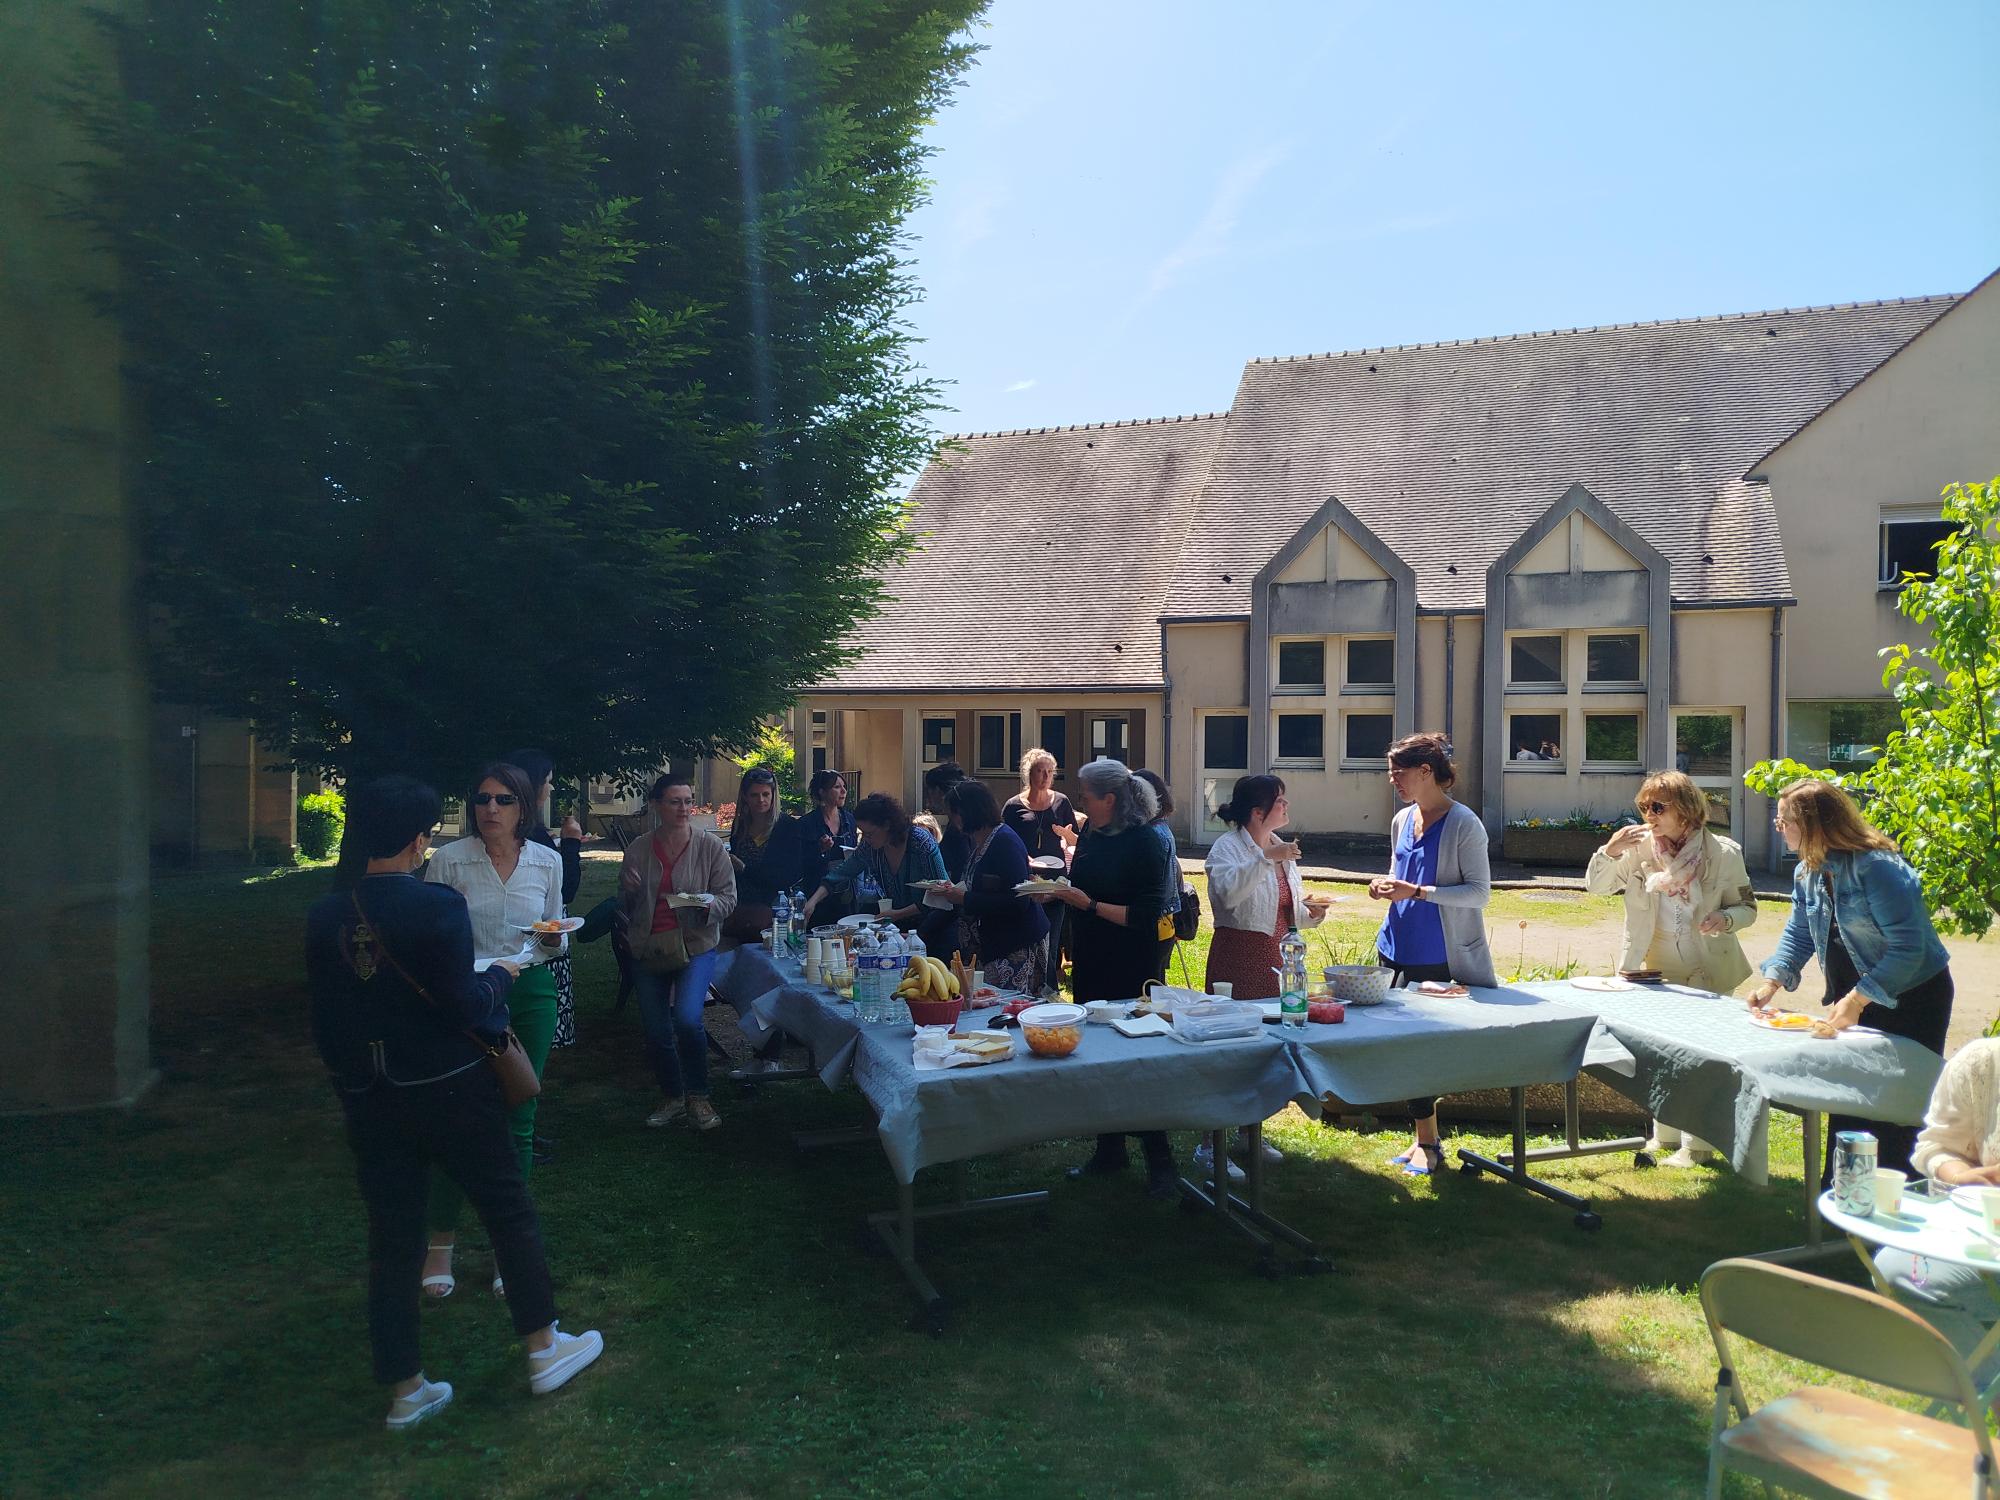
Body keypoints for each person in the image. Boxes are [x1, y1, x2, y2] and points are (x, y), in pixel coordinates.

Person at [308, 775, 601, 1429]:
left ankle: (406, 1388)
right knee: (508, 1209)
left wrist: (352, 1082)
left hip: (370, 1093)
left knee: (391, 1240)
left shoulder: (328, 914)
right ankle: (543, 1347)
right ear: (419, 841)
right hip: (449, 1086)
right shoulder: (435, 907)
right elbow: (464, 1004)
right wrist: (503, 972)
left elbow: (324, 1020)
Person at [1748, 778, 1953, 1182]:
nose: (1779, 828)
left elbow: (1909, 949)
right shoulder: (1808, 872)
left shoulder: (1878, 868)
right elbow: (1799, 933)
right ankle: (1845, 1191)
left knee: (1896, 1106)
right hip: (1856, 999)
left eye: (1783, 820)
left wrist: (1858, 1000)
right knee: (1851, 1095)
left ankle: (1899, 1200)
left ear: (1813, 825)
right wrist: (1772, 981)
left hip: (1913, 1000)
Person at [421, 762, 567, 1298]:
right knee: (454, 1117)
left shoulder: (546, 862)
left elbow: (557, 936)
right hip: (464, 996)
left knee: (519, 1117)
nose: (490, 809)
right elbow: (427, 937)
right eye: (482, 799)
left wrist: (552, 939)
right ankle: (440, 1244)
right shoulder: (448, 861)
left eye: (504, 800)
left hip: (528, 993)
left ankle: (511, 1245)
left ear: (523, 808)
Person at [1585, 770, 1757, 1166]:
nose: (1649, 814)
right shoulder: (1639, 849)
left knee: (1699, 1059)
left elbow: (1747, 907)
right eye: (1644, 806)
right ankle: (1662, 1138)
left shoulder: (1724, 853)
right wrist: (1609, 851)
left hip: (1707, 970)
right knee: (1660, 1058)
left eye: (1658, 806)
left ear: (1686, 809)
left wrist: (1726, 920)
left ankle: (1696, 1147)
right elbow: (1596, 888)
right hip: (1651, 971)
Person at [1031, 758, 1178, 1198]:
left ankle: (1161, 1160)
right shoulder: (1093, 834)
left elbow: (1147, 915)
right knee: (1096, 1054)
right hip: (1092, 959)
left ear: (1110, 799)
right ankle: (1109, 1149)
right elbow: (1082, 887)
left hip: (1132, 962)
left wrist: (1088, 905)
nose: (1079, 802)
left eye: (1086, 796)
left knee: (1136, 1060)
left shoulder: (1146, 841)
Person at [1368, 732, 1496, 1177]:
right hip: (1394, 950)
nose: (1392, 781)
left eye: (1398, 773)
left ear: (1427, 772)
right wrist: (1383, 885)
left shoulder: (1464, 825)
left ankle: (1428, 1142)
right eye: (1390, 773)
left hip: (1439, 958)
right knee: (1401, 1049)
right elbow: (1397, 871)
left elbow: (1480, 894)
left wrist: (1417, 892)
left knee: (1423, 1051)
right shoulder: (1402, 819)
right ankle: (1424, 1138)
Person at [1875, 1037, 2000, 1379]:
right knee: (1899, 1268)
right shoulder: (1983, 1063)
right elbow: (1937, 1146)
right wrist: (1964, 1177)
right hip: (1986, 1246)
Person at [619, 775, 738, 1132]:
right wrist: (628, 889)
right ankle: (672, 1095)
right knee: (656, 1031)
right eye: (674, 801)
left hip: (695, 945)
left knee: (687, 1019)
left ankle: (699, 1096)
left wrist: (705, 905)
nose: (684, 809)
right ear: (657, 805)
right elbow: (626, 904)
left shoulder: (710, 846)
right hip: (649, 947)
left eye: (688, 801)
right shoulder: (639, 848)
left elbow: (729, 899)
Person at [503, 748, 582, 1168]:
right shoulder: (529, 835)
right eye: (548, 779)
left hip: (545, 949)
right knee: (521, 1054)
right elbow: (566, 890)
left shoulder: (531, 832)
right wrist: (571, 843)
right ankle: (519, 1136)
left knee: (530, 1051)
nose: (552, 786)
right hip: (527, 958)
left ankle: (526, 1130)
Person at [1204, 774, 1328, 1002]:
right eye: (1279, 800)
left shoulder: (1279, 845)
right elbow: (1227, 896)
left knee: (1280, 1022)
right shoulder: (1227, 847)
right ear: (1258, 812)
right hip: (1240, 957)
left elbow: (1281, 909)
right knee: (1241, 1026)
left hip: (1281, 958)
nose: (1286, 804)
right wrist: (1266, 858)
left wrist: (1311, 914)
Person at [930, 778, 1048, 993]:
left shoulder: (1004, 842)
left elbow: (1017, 900)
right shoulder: (981, 841)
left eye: (953, 813)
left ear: (966, 812)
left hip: (1012, 945)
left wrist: (964, 898)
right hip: (991, 945)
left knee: (1006, 1007)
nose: (952, 820)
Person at [800, 793, 946, 927]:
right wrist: (812, 902)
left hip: (932, 926)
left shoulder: (921, 842)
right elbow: (842, 872)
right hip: (896, 923)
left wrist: (899, 914)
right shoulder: (871, 847)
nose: (865, 839)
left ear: (887, 825)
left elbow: (942, 891)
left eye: (869, 834)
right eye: (862, 833)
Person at [1004, 748, 1079, 981]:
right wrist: (1021, 857)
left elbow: (1077, 842)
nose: (1045, 776)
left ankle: (1049, 989)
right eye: (1040, 771)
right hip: (1026, 880)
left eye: (1049, 771)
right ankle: (1027, 986)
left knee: (1052, 940)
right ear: (1029, 774)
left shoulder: (1062, 803)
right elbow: (1004, 841)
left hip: (1056, 881)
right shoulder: (1013, 806)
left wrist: (1067, 837)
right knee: (1025, 939)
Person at [722, 766, 795, 945]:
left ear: (773, 795)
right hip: (742, 909)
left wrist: (744, 868)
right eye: (754, 795)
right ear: (745, 797)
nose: (760, 800)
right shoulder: (739, 826)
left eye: (765, 794)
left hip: (775, 910)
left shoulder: (786, 826)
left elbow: (786, 875)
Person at [1132, 770, 1184, 986]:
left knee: (1147, 992)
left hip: (1153, 925)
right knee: (1155, 986)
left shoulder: (1151, 835)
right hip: (1165, 923)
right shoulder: (1162, 828)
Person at [794, 769, 858, 917]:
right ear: (822, 792)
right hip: (817, 893)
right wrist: (820, 850)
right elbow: (800, 863)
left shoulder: (850, 819)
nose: (843, 791)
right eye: (837, 787)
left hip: (847, 893)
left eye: (844, 787)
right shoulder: (807, 823)